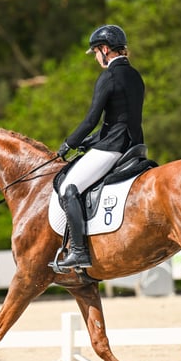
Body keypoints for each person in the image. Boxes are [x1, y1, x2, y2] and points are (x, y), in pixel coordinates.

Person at [53, 24, 146, 269]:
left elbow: (91, 120)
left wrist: (68, 144)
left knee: (69, 188)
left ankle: (78, 251)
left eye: (95, 52)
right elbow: (120, 118)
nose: (95, 57)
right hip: (134, 146)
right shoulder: (135, 76)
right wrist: (90, 141)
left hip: (112, 149)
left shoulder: (108, 76)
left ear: (105, 49)